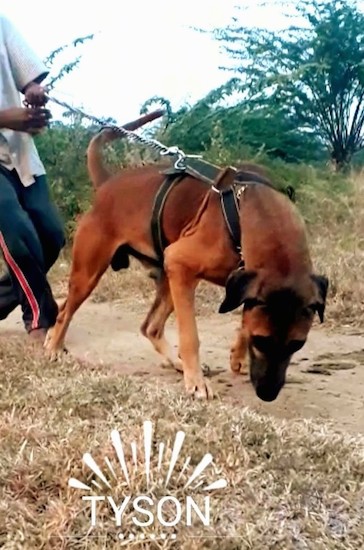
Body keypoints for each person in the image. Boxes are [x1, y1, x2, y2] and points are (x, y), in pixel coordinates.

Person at [0, 14, 65, 344]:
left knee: (51, 236)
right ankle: (40, 317)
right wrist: (6, 118)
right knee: (19, 232)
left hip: (19, 150)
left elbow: (28, 76)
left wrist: (34, 93)